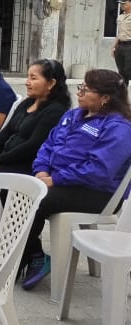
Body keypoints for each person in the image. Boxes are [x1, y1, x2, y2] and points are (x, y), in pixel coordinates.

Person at [19, 69, 131, 290]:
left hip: (98, 193)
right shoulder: (73, 115)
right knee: (15, 191)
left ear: (105, 98)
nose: (79, 93)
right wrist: (41, 170)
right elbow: (48, 145)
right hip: (60, 181)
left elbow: (98, 170)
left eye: (86, 90)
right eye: (80, 87)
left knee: (36, 200)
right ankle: (32, 254)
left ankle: (32, 258)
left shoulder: (118, 128)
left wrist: (56, 179)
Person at [0, 59, 72, 253]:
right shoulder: (27, 103)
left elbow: (33, 145)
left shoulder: (55, 111)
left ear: (51, 83)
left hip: (27, 165)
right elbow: (5, 132)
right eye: (28, 77)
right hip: (8, 158)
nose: (28, 82)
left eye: (33, 78)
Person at [113, 0, 131, 82]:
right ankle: (123, 89)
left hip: (129, 46)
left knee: (128, 70)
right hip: (120, 46)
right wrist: (114, 47)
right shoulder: (120, 17)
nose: (121, 5)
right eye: (120, 3)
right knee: (121, 72)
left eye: (124, 3)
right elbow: (120, 33)